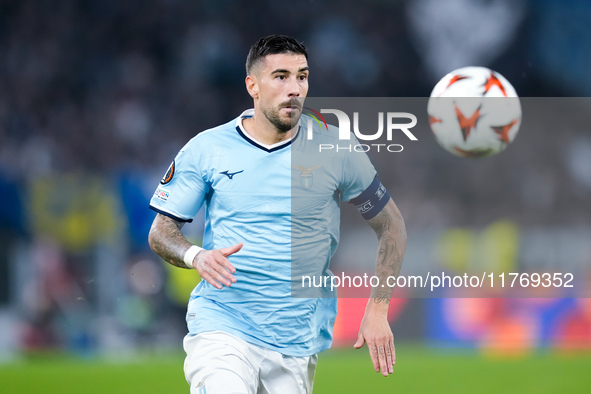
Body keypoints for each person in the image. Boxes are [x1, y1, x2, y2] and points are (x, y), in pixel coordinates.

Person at [148, 34, 406, 394]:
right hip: (223, 323)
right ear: (253, 85)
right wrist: (196, 256)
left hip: (296, 338)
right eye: (281, 76)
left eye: (302, 76)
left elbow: (391, 226)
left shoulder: (336, 149)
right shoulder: (207, 149)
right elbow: (161, 231)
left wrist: (378, 309)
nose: (295, 88)